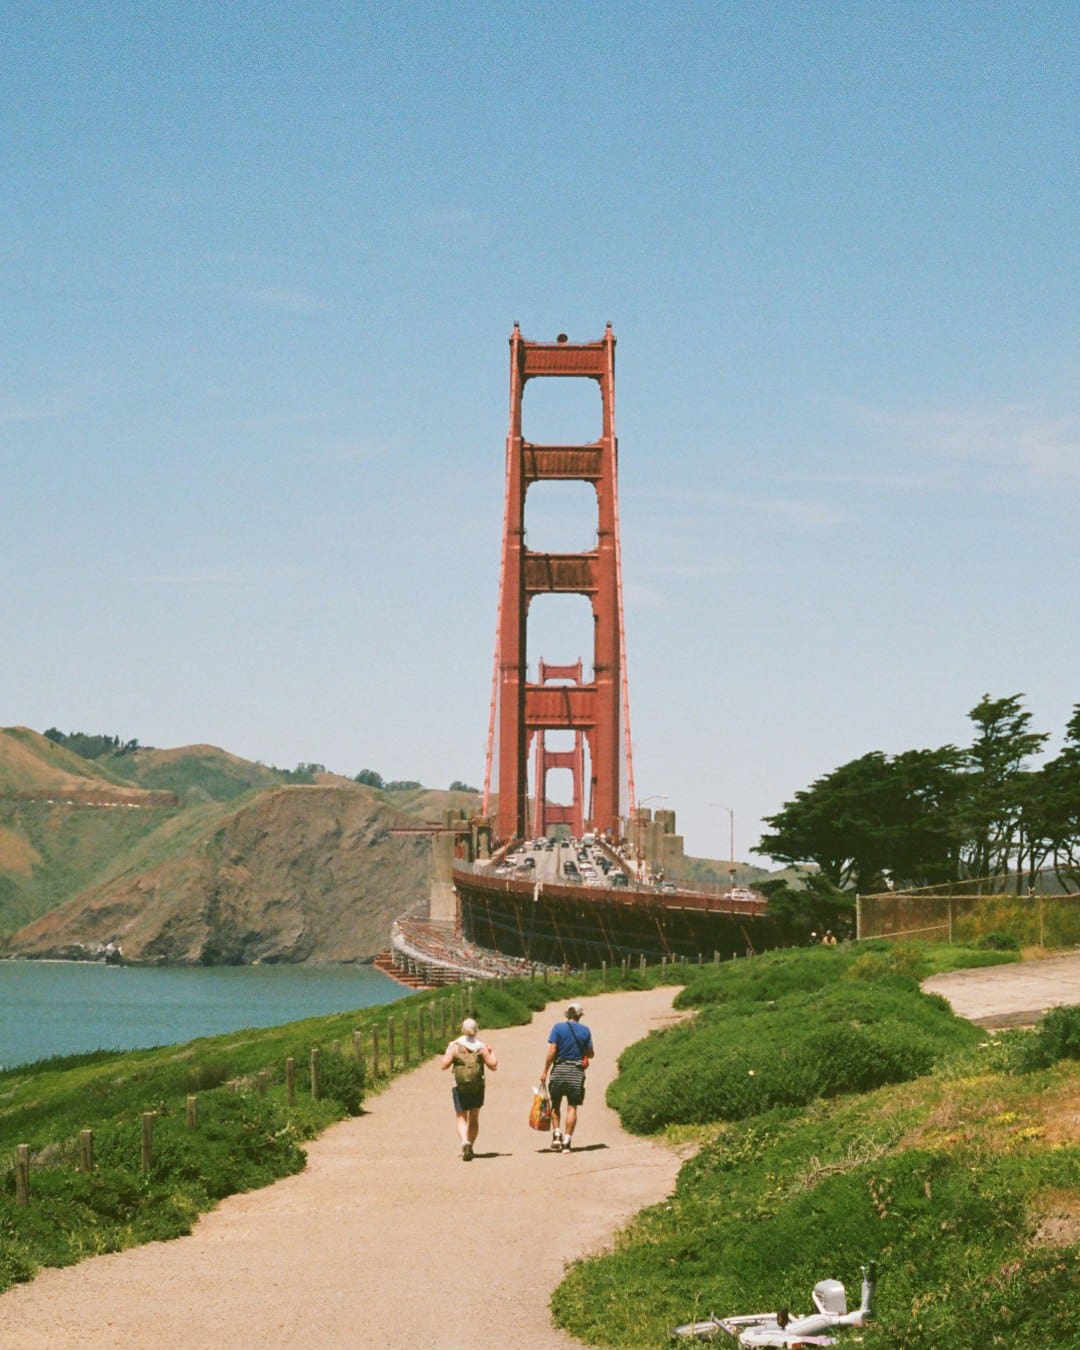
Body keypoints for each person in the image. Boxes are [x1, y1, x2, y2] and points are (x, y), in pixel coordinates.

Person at [539, 1001, 594, 1153]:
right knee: (572, 1107)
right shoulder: (585, 1031)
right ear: (580, 1015)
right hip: (576, 1071)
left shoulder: (558, 1028)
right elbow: (590, 1053)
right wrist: (582, 1053)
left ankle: (556, 1136)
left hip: (559, 1070)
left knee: (555, 1105)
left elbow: (552, 1051)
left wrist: (545, 1070)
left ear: (567, 1014)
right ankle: (567, 1140)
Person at [440, 1016, 497, 1161]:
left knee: (461, 1116)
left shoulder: (455, 1046)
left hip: (459, 1086)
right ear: (476, 1030)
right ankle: (470, 1145)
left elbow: (443, 1065)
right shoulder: (481, 1048)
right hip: (477, 1086)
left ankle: (464, 1142)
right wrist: (492, 1052)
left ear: (463, 1030)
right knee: (474, 1117)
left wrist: (448, 1051)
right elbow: (493, 1066)